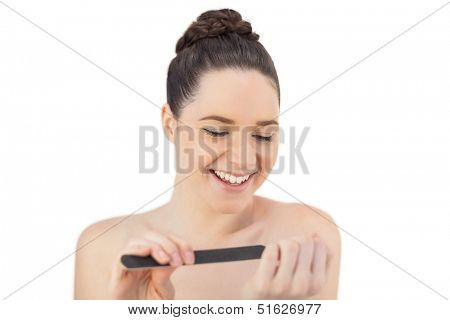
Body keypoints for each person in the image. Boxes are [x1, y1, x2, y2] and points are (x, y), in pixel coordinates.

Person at [74, 8, 341, 300]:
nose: (243, 158)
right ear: (170, 125)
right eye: (216, 132)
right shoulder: (103, 250)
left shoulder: (307, 240)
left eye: (264, 135)